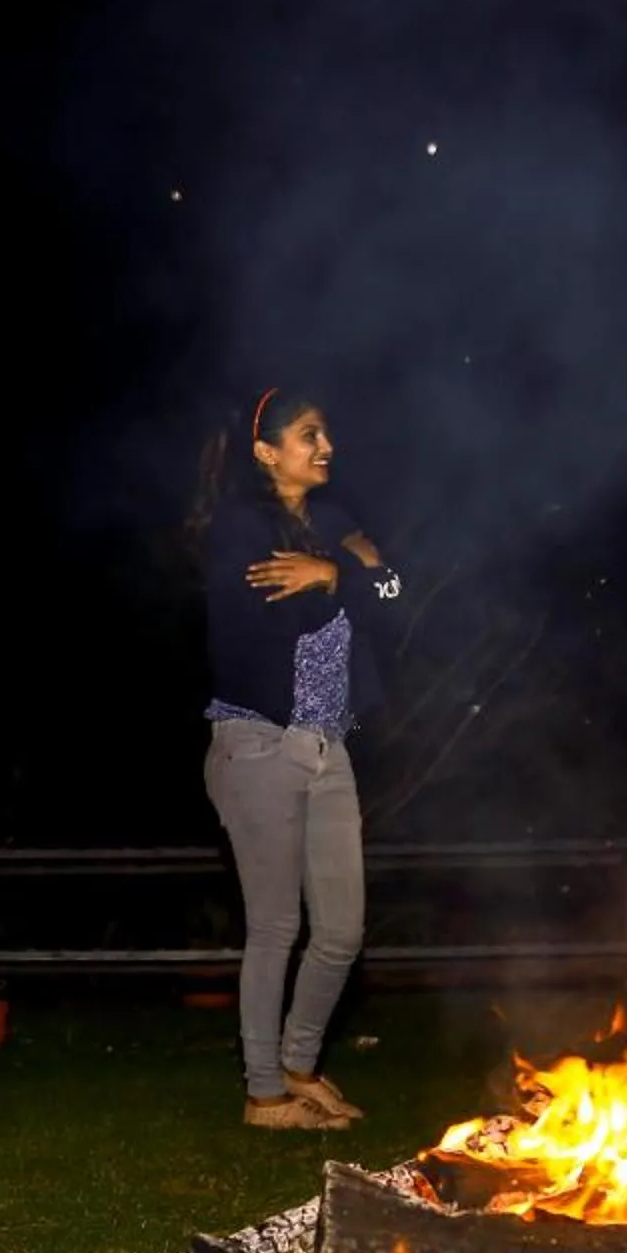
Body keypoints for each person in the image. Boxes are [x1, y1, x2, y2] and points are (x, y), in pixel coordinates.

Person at [188, 384, 404, 1129]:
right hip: (258, 742)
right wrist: (346, 581)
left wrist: (339, 575)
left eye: (327, 435)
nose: (326, 448)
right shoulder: (239, 528)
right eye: (310, 435)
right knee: (277, 926)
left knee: (341, 930)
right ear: (266, 451)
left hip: (328, 744)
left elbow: (398, 586)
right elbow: (279, 607)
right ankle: (263, 1093)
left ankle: (299, 1066)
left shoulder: (334, 522)